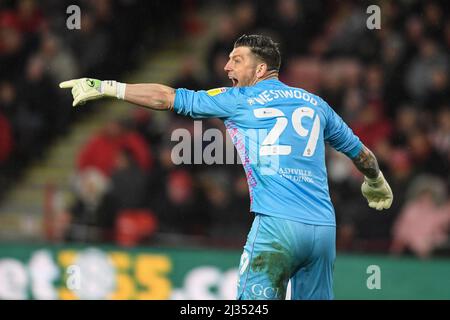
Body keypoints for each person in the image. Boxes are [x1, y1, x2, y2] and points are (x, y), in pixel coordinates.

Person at [59, 34, 393, 300]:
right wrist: (376, 181)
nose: (226, 67)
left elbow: (167, 98)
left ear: (260, 70)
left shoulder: (240, 99)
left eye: (237, 60)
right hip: (322, 230)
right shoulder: (316, 104)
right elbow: (362, 155)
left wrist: (107, 87)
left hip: (278, 230)